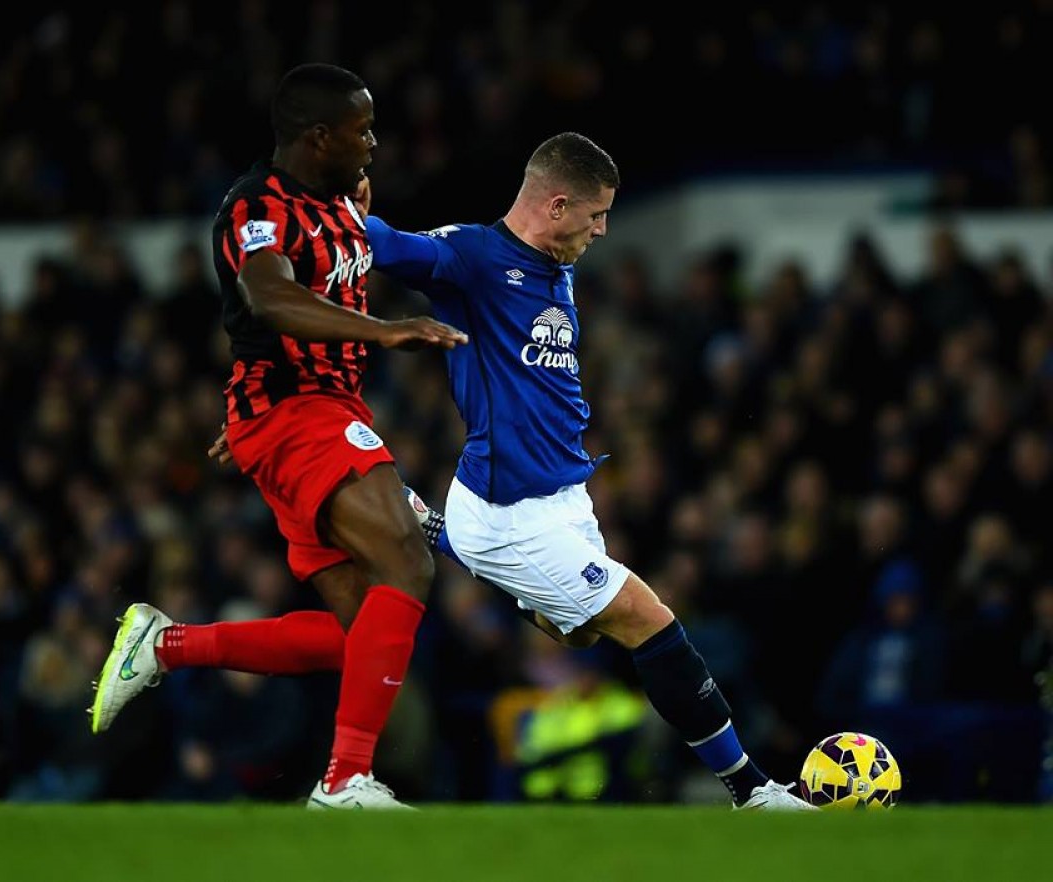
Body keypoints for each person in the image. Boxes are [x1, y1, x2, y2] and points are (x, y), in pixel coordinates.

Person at [203, 132, 816, 810]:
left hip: (566, 499)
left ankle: (441, 533)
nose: (602, 230)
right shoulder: (470, 257)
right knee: (648, 618)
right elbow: (380, 246)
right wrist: (342, 227)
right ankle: (753, 791)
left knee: (580, 632)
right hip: (511, 509)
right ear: (557, 206)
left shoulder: (555, 265)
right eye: (596, 215)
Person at [88, 63, 467, 811]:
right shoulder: (254, 206)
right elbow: (269, 296)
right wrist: (383, 331)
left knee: (362, 632)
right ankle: (345, 779)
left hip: (303, 415)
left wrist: (249, 417)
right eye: (362, 130)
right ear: (318, 137)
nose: (374, 143)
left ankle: (165, 645)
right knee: (407, 562)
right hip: (300, 414)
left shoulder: (347, 198)